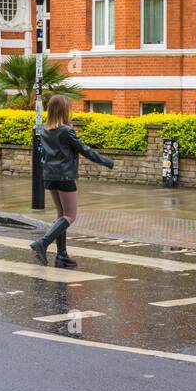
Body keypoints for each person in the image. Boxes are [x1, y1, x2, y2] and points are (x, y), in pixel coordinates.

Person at [30, 94, 114, 268]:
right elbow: (85, 150)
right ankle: (43, 243)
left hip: (50, 177)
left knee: (61, 215)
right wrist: (106, 161)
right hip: (65, 177)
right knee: (70, 216)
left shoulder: (44, 130)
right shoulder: (66, 131)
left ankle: (61, 256)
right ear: (63, 110)